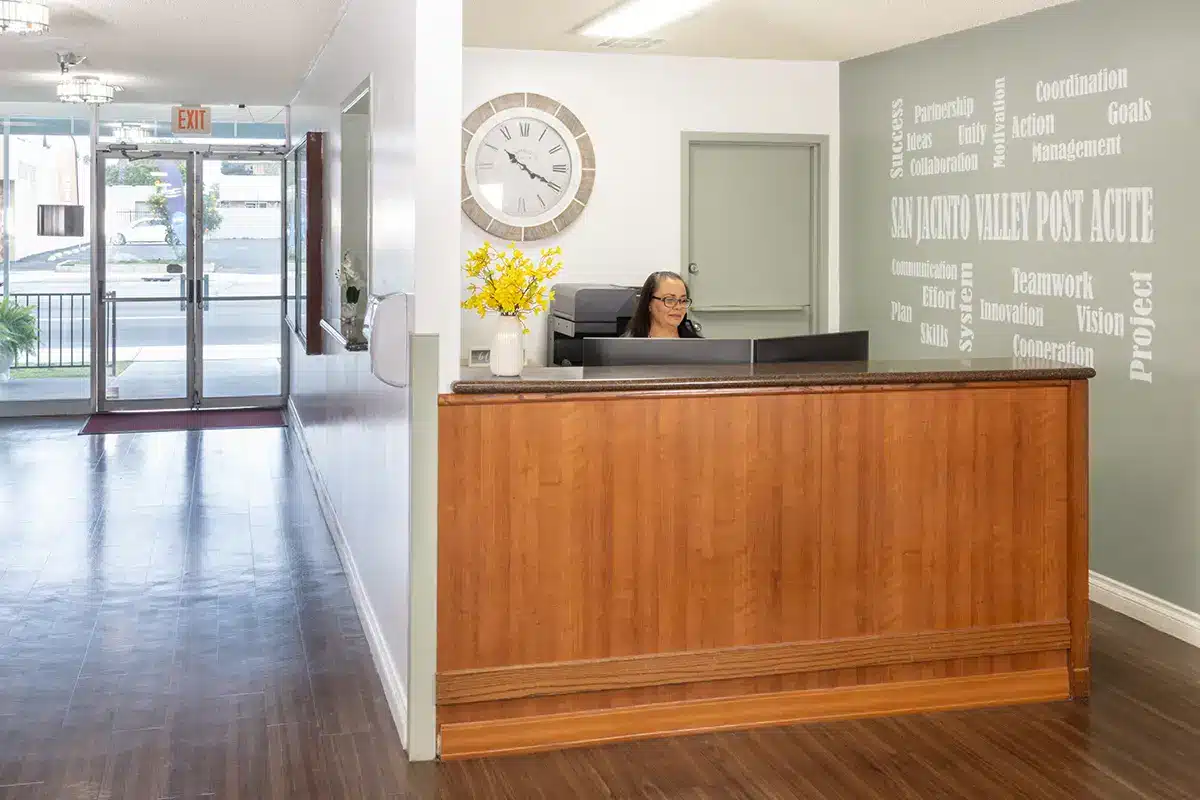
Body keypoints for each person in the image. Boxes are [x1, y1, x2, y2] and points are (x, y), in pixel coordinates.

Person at [623, 271, 702, 338]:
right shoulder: (626, 347)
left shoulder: (699, 347)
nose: (678, 307)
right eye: (670, 300)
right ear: (649, 303)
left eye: (683, 300)